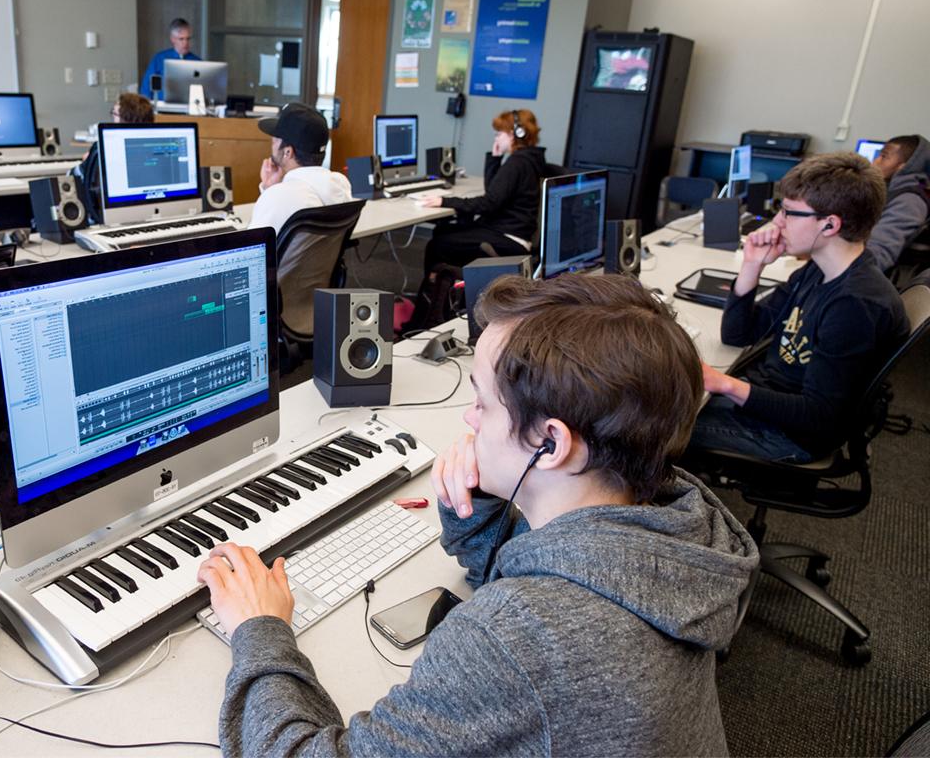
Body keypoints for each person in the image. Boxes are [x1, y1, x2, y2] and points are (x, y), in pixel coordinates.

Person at [197, 273, 758, 756]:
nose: (467, 420)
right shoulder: (682, 524)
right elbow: (558, 567)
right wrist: (481, 499)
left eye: (483, 404)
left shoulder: (513, 640)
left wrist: (259, 629)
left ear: (550, 442)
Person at [691, 152, 910, 463]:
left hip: (791, 435)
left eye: (788, 212)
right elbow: (738, 335)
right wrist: (752, 265)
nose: (777, 223)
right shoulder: (816, 270)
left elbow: (818, 415)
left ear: (830, 225)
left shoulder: (856, 305)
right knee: (652, 406)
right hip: (767, 399)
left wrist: (724, 383)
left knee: (643, 430)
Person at [417, 108, 548, 274]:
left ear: (516, 133)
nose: (496, 137)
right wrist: (495, 159)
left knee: (436, 245)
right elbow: (495, 191)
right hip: (516, 232)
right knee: (444, 230)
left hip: (508, 237)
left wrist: (445, 201)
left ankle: (432, 295)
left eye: (499, 133)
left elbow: (489, 203)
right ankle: (443, 286)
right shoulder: (532, 159)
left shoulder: (517, 163)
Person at [249, 102, 351, 231]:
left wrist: (268, 192)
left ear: (288, 152)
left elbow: (253, 244)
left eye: (275, 141)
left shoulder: (277, 197)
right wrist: (270, 187)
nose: (272, 145)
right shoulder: (341, 186)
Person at [75, 92, 154, 223]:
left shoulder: (102, 148)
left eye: (115, 113)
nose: (112, 116)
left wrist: (87, 162)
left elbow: (74, 178)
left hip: (106, 220)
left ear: (124, 119)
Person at [865, 134, 930, 274]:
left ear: (904, 166)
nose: (875, 161)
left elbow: (878, 256)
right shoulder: (889, 190)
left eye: (884, 157)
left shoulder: (910, 202)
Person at [139, 17, 201, 97]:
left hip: (189, 107)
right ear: (173, 39)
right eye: (181, 39)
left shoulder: (197, 62)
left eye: (188, 39)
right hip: (163, 107)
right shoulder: (159, 59)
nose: (185, 43)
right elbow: (146, 89)